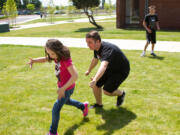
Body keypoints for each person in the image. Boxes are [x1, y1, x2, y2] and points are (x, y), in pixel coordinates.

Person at [27, 39, 88, 135]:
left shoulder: (65, 60)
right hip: (63, 88)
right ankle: (83, 106)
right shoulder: (56, 56)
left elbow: (75, 76)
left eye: (51, 53)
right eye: (48, 53)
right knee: (67, 101)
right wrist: (34, 60)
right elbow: (45, 59)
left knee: (56, 108)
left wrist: (63, 89)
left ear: (58, 50)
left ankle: (53, 132)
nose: (50, 56)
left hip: (67, 88)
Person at [85, 30, 130, 108]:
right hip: (111, 67)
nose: (87, 45)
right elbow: (95, 59)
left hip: (121, 70)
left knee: (107, 91)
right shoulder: (96, 48)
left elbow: (104, 66)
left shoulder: (107, 49)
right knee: (95, 85)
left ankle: (121, 93)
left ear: (98, 41)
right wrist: (89, 70)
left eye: (90, 42)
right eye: (87, 42)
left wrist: (95, 79)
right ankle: (99, 104)